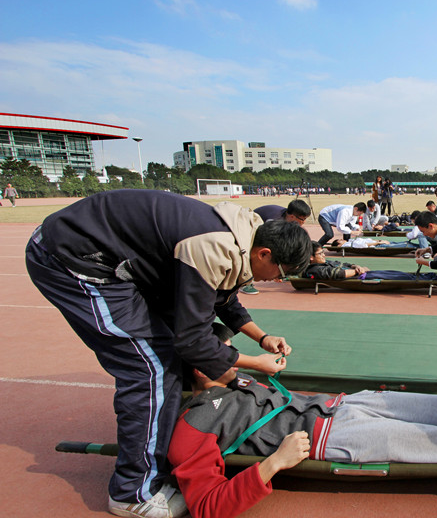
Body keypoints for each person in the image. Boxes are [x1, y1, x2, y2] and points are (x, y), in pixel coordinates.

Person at [25, 190, 313, 518]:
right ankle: (132, 493)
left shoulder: (245, 237)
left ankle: (155, 440)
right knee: (150, 367)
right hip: (72, 257)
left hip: (112, 256)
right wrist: (252, 363)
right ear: (265, 254)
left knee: (168, 351)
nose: (277, 280)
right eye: (280, 273)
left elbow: (223, 297)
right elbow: (192, 341)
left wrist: (262, 337)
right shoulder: (212, 246)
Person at [169, 325, 437, 518]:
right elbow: (206, 506)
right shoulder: (194, 425)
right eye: (227, 353)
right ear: (200, 367)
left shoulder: (238, 378)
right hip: (333, 436)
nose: (237, 357)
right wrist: (274, 464)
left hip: (345, 405)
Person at [240, 200, 312, 295]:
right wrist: (276, 270)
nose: (303, 222)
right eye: (302, 219)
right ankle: (245, 283)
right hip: (248, 230)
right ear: (292, 216)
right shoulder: (275, 220)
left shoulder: (287, 218)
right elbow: (269, 243)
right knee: (251, 257)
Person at [303, 242, 437, 281]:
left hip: (361, 273)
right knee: (399, 277)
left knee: (396, 273)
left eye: (323, 252)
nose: (323, 255)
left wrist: (355, 265)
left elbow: (343, 265)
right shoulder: (315, 270)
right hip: (359, 277)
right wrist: (357, 271)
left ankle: (432, 276)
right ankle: (433, 278)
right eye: (320, 253)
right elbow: (338, 274)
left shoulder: (324, 262)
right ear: (311, 257)